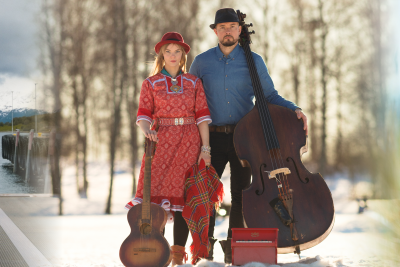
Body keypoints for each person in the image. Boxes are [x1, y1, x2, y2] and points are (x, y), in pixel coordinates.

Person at [189, 8, 309, 263]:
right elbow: (189, 101)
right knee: (206, 195)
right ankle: (204, 249)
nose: (228, 31)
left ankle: (234, 249)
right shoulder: (201, 62)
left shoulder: (254, 61)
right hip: (210, 139)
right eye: (223, 27)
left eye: (233, 26)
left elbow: (270, 97)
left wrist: (294, 109)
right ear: (215, 31)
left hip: (244, 139)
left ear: (240, 30)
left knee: (241, 194)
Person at [125, 32, 212, 266]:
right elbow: (143, 114)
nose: (172, 56)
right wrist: (147, 131)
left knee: (183, 201)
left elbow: (202, 116)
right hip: (160, 144)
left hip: (190, 142)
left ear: (183, 55)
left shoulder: (194, 82)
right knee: (155, 203)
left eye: (177, 51)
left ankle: (177, 256)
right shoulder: (150, 83)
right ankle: (157, 253)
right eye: (168, 51)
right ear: (161, 55)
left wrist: (206, 148)